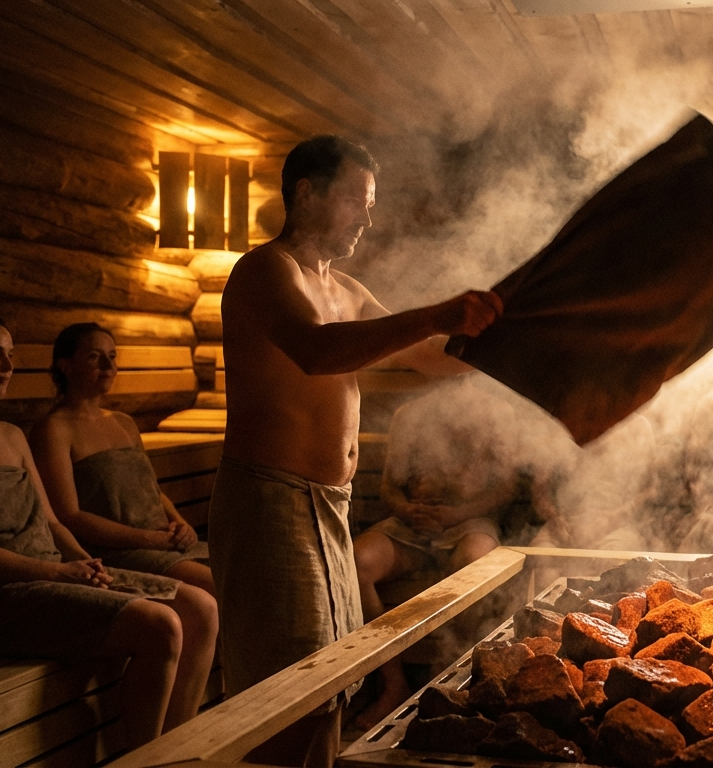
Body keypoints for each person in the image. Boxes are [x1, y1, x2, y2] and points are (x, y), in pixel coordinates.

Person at [208, 135, 501, 766]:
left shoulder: (346, 288)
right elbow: (318, 351)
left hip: (329, 509)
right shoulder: (264, 271)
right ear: (306, 193)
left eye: (371, 205)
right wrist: (435, 313)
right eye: (355, 201)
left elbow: (432, 360)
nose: (368, 218)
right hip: (270, 502)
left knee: (333, 682)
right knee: (286, 692)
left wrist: (507, 344)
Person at [0, 312, 218, 750]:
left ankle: (178, 749)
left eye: (10, 355)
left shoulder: (10, 434)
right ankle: (145, 760)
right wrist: (56, 573)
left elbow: (50, 520)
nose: (8, 366)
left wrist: (83, 562)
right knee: (160, 624)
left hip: (49, 575)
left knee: (200, 607)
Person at [352, 380, 519, 729]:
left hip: (469, 521)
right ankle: (392, 684)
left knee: (475, 565)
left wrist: (457, 514)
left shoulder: (496, 414)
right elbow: (388, 488)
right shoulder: (409, 415)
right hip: (410, 525)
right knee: (356, 563)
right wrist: (408, 510)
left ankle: (458, 683)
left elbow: (506, 488)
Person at [29, 322, 214, 595]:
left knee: (249, 570)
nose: (108, 366)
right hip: (115, 551)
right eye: (94, 356)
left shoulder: (124, 423)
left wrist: (180, 523)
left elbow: (152, 490)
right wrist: (150, 540)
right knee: (219, 584)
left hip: (162, 541)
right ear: (65, 365)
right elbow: (69, 515)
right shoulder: (54, 428)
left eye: (112, 356)